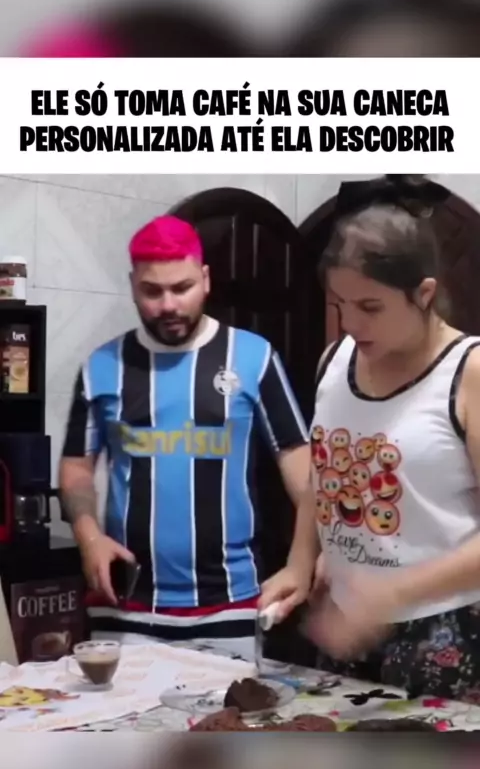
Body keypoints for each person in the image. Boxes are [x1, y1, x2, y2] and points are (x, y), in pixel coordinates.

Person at [260, 175, 480, 701]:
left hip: (443, 632)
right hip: (343, 623)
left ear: (424, 294)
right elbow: (324, 471)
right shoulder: (334, 361)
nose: (350, 323)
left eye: (371, 306)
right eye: (340, 304)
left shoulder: (468, 372)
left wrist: (391, 595)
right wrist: (299, 561)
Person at [59, 214, 310, 659]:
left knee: (230, 708)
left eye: (182, 288)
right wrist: (88, 537)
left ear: (206, 280)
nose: (168, 305)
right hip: (125, 605)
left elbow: (300, 465)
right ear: (133, 285)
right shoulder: (102, 366)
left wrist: (308, 559)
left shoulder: (253, 357)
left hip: (231, 604)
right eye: (152, 291)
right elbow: (77, 467)